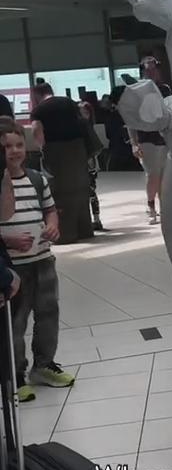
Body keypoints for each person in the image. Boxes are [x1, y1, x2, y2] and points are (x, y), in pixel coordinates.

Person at [0, 118, 75, 401]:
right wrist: (8, 241)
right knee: (15, 322)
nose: (14, 151)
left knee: (48, 313)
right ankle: (15, 374)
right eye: (7, 146)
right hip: (12, 268)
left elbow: (50, 210)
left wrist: (52, 225)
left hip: (42, 259)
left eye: (19, 144)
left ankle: (43, 365)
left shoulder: (36, 179)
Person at [30, 83, 95, 244]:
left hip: (56, 153)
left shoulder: (39, 110)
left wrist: (41, 147)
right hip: (78, 149)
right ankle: (85, 229)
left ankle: (66, 234)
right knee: (81, 188)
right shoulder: (68, 102)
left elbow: (36, 130)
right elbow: (84, 118)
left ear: (37, 95)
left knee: (59, 191)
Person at [128, 57, 172, 224]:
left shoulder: (165, 89)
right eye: (148, 70)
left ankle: (164, 208)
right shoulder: (135, 91)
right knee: (153, 174)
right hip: (145, 138)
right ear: (143, 71)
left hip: (164, 138)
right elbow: (130, 119)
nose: (152, 73)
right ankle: (151, 206)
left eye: (154, 69)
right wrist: (133, 142)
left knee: (164, 175)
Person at [79, 101, 103, 231]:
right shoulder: (85, 128)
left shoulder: (88, 128)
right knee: (89, 192)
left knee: (91, 192)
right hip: (87, 163)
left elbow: (96, 148)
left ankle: (96, 218)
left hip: (89, 164)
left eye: (83, 112)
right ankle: (94, 218)